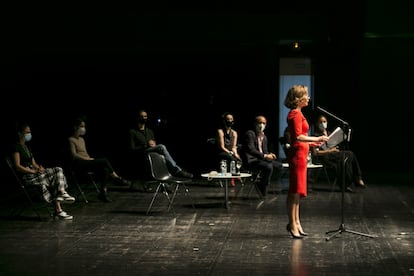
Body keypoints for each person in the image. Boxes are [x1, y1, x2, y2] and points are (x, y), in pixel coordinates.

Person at [284, 85, 329, 239]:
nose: (308, 98)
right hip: (297, 155)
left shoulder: (299, 113)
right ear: (299, 98)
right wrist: (316, 138)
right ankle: (292, 223)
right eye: (306, 95)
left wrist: (316, 143)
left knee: (297, 193)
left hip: (302, 154)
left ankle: (296, 222)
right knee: (294, 191)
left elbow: (303, 138)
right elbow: (298, 137)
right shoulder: (295, 114)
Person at [11, 121, 75, 220]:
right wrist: (33, 172)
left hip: (35, 173)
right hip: (27, 176)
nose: (29, 134)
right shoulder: (16, 147)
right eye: (27, 132)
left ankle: (62, 192)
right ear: (20, 133)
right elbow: (17, 166)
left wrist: (38, 168)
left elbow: (33, 163)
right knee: (52, 180)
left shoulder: (27, 147)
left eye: (29, 132)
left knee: (58, 170)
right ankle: (59, 210)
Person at [68, 116, 130, 203]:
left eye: (84, 126)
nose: (83, 128)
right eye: (81, 126)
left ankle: (103, 193)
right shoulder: (71, 140)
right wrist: (87, 159)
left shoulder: (82, 139)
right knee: (104, 160)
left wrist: (89, 159)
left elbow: (85, 152)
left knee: (105, 169)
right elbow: (74, 155)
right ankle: (116, 178)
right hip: (79, 164)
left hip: (87, 162)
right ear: (75, 127)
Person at [129, 109, 193, 179]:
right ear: (138, 117)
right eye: (142, 116)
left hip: (152, 153)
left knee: (162, 154)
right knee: (161, 147)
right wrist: (145, 145)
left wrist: (153, 144)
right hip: (142, 153)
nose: (144, 118)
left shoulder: (149, 131)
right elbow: (132, 148)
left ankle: (167, 177)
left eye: (145, 116)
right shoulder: (132, 132)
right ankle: (175, 170)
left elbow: (154, 144)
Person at [311, 114, 365, 192]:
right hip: (324, 157)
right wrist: (330, 151)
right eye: (320, 122)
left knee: (348, 157)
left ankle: (350, 182)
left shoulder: (329, 133)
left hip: (333, 155)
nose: (323, 123)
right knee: (349, 154)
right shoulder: (315, 135)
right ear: (317, 123)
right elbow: (315, 153)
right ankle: (355, 180)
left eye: (324, 121)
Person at [242, 115, 283, 197]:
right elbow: (251, 150)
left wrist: (270, 155)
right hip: (251, 161)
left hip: (261, 160)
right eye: (259, 123)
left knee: (279, 166)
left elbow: (265, 151)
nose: (261, 125)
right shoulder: (250, 134)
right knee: (268, 167)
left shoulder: (264, 137)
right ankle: (263, 185)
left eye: (264, 123)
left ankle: (262, 182)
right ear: (255, 124)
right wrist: (265, 156)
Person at [216, 112, 241, 186]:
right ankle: (232, 178)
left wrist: (236, 154)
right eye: (228, 119)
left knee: (238, 159)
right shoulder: (220, 131)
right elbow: (222, 147)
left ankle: (235, 175)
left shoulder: (234, 133)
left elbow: (234, 147)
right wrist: (230, 153)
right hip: (222, 151)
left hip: (231, 152)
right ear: (224, 121)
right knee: (232, 159)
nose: (229, 121)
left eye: (231, 119)